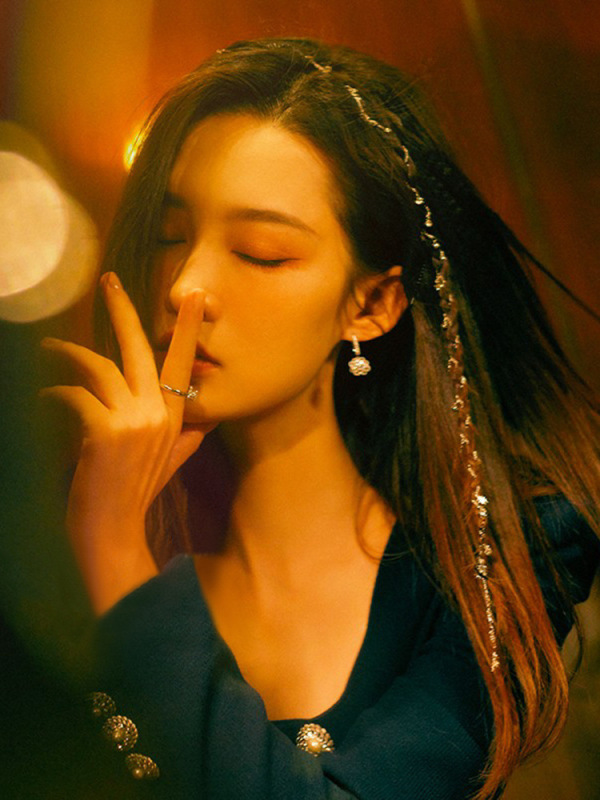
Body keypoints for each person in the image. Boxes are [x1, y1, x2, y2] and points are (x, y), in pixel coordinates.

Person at [40, 37, 600, 799]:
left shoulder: (502, 551)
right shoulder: (46, 526)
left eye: (262, 252)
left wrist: (115, 553)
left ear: (371, 305)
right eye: (171, 236)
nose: (185, 285)